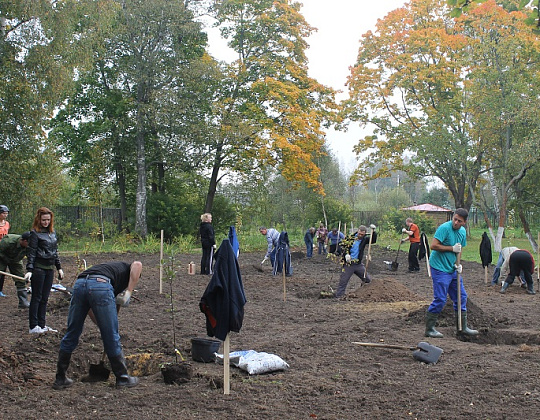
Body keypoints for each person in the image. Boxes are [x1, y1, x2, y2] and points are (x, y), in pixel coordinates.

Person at [53, 260, 142, 390]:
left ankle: (60, 378)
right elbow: (138, 264)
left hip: (80, 285)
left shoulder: (112, 273)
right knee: (111, 335)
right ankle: (123, 378)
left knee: (72, 332)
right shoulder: (127, 268)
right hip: (101, 285)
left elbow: (92, 308)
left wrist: (105, 324)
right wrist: (129, 291)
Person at [425, 208, 478, 338]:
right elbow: (434, 245)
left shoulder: (462, 232)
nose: (455, 222)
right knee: (441, 299)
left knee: (461, 297)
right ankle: (429, 329)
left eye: (459, 221)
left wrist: (458, 264)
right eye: (455, 219)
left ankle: (462, 327)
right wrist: (451, 248)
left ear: (464, 222)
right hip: (439, 267)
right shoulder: (444, 228)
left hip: (452, 268)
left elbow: (459, 249)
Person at [25, 207, 64, 334]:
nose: (46, 222)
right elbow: (31, 253)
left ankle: (42, 325)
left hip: (49, 268)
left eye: (48, 220)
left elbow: (55, 252)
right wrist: (30, 269)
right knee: (37, 297)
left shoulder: (52, 233)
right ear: (39, 219)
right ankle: (33, 326)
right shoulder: (35, 234)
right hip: (38, 268)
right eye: (43, 220)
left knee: (45, 298)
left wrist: (59, 268)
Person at [334, 224, 377, 299]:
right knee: (343, 280)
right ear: (358, 231)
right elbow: (342, 246)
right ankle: (339, 296)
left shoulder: (364, 239)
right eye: (359, 234)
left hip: (358, 264)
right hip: (348, 263)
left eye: (362, 234)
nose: (360, 235)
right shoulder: (350, 238)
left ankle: (363, 292)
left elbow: (373, 240)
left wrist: (374, 232)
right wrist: (346, 254)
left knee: (368, 280)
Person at [0, 232, 31, 308]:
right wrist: (6, 259)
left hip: (15, 260)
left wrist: (30, 271)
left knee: (20, 279)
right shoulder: (8, 241)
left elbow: (31, 259)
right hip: (2, 258)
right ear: (24, 241)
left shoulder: (29, 246)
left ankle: (23, 302)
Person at [0, 205, 11, 297]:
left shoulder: (7, 224)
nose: (5, 215)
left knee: (2, 269)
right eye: (3, 213)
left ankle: (0, 289)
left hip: (4, 249)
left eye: (6, 213)